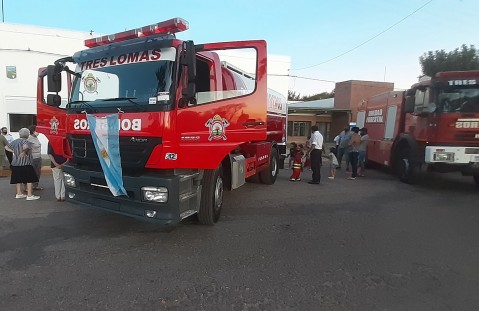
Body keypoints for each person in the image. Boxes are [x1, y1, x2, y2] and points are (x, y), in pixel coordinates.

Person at [5, 128, 40, 200]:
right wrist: (24, 152)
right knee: (29, 179)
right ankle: (29, 195)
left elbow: (6, 147)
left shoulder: (14, 141)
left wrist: (14, 151)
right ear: (27, 134)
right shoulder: (25, 141)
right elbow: (26, 147)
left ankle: (19, 193)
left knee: (18, 179)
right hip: (25, 163)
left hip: (15, 163)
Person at [27, 125, 43, 190]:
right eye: (37, 131)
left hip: (38, 157)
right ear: (33, 131)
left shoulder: (35, 137)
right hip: (32, 157)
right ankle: (28, 187)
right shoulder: (29, 138)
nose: (38, 132)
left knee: (38, 172)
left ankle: (35, 185)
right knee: (31, 172)